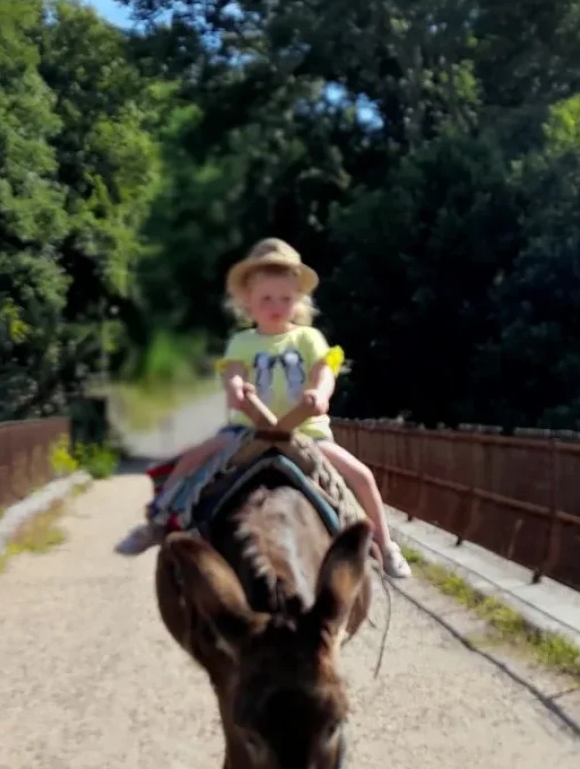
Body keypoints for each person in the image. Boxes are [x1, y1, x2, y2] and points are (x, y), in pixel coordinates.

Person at [115, 238, 412, 579]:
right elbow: (234, 376)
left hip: (305, 432)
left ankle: (385, 545)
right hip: (247, 432)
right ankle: (159, 520)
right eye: (266, 299)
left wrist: (320, 393)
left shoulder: (308, 339)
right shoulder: (242, 342)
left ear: (297, 300)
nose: (276, 305)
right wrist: (237, 389)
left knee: (362, 475)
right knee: (192, 458)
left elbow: (323, 372)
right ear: (248, 302)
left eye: (285, 298)